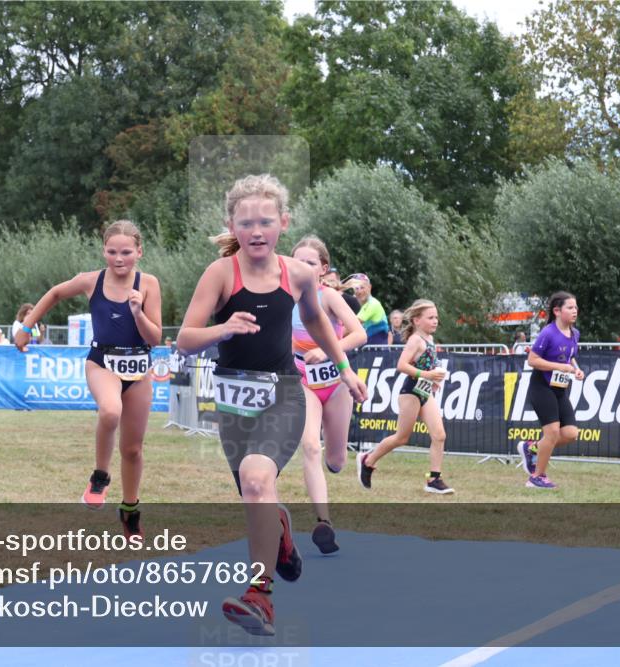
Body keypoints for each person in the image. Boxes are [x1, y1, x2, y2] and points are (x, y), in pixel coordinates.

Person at [177, 174, 366, 637]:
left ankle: (259, 596)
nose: (257, 230)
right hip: (232, 398)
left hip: (284, 391)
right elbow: (184, 340)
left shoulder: (298, 274)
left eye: (266, 221)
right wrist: (223, 330)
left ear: (283, 222)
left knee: (257, 480)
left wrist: (344, 367)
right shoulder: (220, 274)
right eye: (246, 223)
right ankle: (279, 530)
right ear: (232, 226)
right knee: (253, 490)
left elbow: (319, 324)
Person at [15, 220, 162, 538]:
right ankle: (100, 476)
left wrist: (138, 313)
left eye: (125, 252)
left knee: (133, 449)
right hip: (102, 363)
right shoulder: (91, 281)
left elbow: (156, 339)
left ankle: (130, 509)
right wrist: (26, 328)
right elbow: (55, 294)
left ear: (139, 252)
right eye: (111, 252)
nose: (118, 259)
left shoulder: (148, 283)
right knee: (110, 411)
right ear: (103, 251)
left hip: (138, 368)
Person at [290, 236, 366, 554]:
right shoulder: (283, 298)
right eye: (297, 262)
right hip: (303, 383)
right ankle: (324, 522)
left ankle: (338, 463)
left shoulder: (330, 297)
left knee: (335, 460)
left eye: (309, 263)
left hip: (335, 384)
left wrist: (326, 350)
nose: (302, 268)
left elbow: (359, 333)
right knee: (309, 446)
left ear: (322, 269)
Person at [356, 299, 454, 494]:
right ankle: (368, 460)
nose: (435, 321)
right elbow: (402, 365)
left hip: (425, 392)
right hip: (410, 393)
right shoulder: (415, 340)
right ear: (417, 321)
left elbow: (426, 364)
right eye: (430, 317)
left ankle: (434, 479)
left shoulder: (430, 339)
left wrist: (434, 378)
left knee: (439, 435)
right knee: (402, 437)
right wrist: (427, 375)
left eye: (436, 317)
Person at [515, 291, 584, 489]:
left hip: (560, 389)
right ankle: (537, 477)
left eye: (576, 307)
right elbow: (532, 360)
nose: (574, 311)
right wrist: (560, 367)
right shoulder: (548, 333)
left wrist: (577, 370)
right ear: (557, 311)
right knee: (552, 432)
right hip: (541, 387)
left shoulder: (575, 333)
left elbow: (570, 357)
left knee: (570, 433)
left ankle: (532, 447)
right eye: (570, 307)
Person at [346, 273, 391, 345]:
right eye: (356, 288)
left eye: (362, 287)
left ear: (369, 287)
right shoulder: (362, 306)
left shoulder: (372, 304)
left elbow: (351, 325)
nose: (359, 291)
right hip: (370, 350)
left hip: (375, 351)